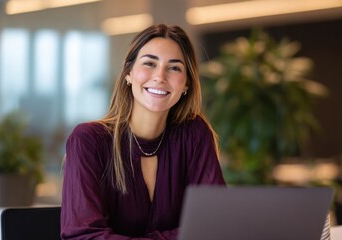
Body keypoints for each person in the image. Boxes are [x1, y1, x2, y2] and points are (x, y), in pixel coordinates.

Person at [61, 24, 226, 239]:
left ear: (186, 84)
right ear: (128, 74)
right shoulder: (89, 140)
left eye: (174, 67)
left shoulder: (194, 134)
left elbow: (215, 226)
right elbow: (83, 236)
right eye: (149, 63)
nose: (160, 76)